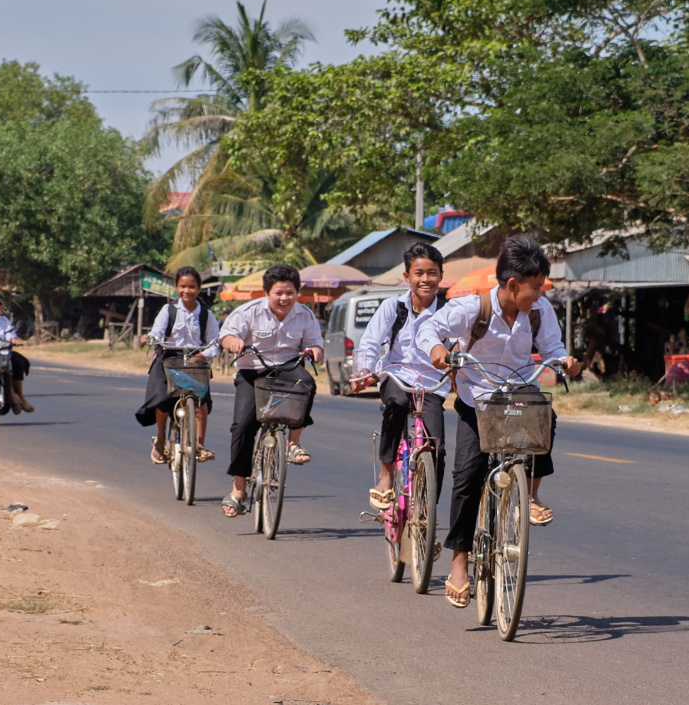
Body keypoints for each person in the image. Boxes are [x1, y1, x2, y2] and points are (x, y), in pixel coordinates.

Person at [417, 234, 581, 608]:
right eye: (535, 287)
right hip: (478, 400)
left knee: (546, 418)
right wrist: (439, 350)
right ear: (511, 285)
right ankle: (459, 562)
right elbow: (428, 329)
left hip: (520, 395)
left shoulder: (539, 312)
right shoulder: (471, 308)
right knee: (468, 475)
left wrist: (564, 359)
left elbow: (553, 348)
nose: (539, 293)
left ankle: (532, 494)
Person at [349, 242, 450, 512]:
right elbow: (370, 343)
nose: (425, 279)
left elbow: (463, 344)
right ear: (407, 277)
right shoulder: (392, 308)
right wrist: (364, 372)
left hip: (433, 384)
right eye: (419, 273)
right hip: (396, 375)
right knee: (395, 407)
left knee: (436, 447)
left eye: (432, 273)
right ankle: (386, 474)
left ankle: (427, 513)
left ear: (441, 275)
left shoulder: (451, 311)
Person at [217, 264, 324, 518]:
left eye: (290, 292)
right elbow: (226, 336)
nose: (284, 298)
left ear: (297, 292)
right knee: (243, 426)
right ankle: (238, 490)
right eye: (278, 293)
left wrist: (314, 353)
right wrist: (234, 342)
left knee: (307, 384)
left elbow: (316, 345)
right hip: (252, 372)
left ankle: (293, 444)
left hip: (288, 369)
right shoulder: (248, 312)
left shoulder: (305, 315)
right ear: (267, 293)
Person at [135, 266, 220, 465]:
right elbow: (157, 331)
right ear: (176, 288)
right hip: (168, 357)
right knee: (162, 397)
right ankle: (161, 439)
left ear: (199, 288)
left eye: (191, 287)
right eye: (182, 286)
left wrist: (202, 355)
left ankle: (199, 445)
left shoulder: (206, 315)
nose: (187, 291)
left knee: (202, 400)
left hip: (195, 359)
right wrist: (150, 338)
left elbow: (215, 343)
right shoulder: (168, 310)